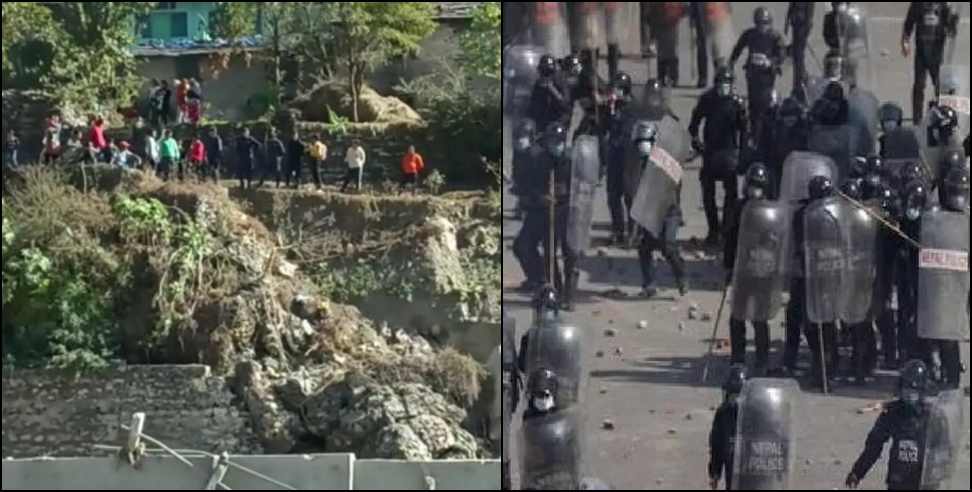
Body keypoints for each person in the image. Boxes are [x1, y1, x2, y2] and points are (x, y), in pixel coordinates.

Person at [845, 360, 935, 490]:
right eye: (906, 388)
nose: (910, 394)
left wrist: (935, 472)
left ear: (922, 390)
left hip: (923, 481)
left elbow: (944, 450)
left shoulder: (932, 416)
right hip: (898, 480)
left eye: (914, 389)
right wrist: (857, 472)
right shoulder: (892, 413)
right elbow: (874, 446)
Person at [689, 66, 748, 246]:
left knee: (731, 194)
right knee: (708, 194)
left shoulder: (737, 103)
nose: (724, 87)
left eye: (727, 84)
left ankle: (726, 230)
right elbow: (694, 123)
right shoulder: (707, 100)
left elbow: (744, 131)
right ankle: (713, 230)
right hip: (710, 152)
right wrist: (697, 143)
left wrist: (743, 154)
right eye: (721, 84)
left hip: (729, 153)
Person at [724, 164, 772, 372]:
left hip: (761, 270)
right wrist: (728, 266)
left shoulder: (770, 211)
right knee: (737, 316)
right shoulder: (738, 207)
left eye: (758, 186)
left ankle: (762, 359)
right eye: (752, 185)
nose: (755, 190)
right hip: (742, 269)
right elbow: (730, 238)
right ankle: (738, 357)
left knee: (759, 317)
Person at [730, 7, 785, 135]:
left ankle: (764, 130)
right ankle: (754, 130)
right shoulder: (749, 34)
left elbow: (782, 54)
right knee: (753, 103)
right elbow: (738, 48)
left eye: (765, 23)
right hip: (752, 73)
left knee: (765, 103)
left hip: (767, 75)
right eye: (759, 23)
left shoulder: (775, 36)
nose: (762, 27)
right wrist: (731, 63)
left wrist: (771, 62)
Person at [901, 2, 960, 124]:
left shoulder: (944, 6)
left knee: (941, 87)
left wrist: (953, 21)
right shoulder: (918, 5)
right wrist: (905, 41)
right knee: (919, 86)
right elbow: (909, 23)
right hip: (921, 53)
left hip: (936, 55)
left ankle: (945, 115)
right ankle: (917, 119)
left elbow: (951, 32)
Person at [708, 365, 745, 491]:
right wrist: (715, 473)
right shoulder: (758, 412)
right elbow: (717, 446)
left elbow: (717, 446)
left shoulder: (724, 412)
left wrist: (715, 473)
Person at [528, 54, 572, 135]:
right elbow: (531, 108)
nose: (546, 76)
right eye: (544, 72)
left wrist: (552, 88)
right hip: (540, 125)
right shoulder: (537, 85)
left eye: (549, 72)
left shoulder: (560, 84)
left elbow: (565, 104)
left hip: (556, 125)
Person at [786, 3, 815, 100]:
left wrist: (806, 31)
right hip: (796, 27)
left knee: (798, 58)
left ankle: (800, 83)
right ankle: (798, 83)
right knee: (797, 58)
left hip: (802, 28)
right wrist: (787, 23)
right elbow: (791, 8)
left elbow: (809, 16)